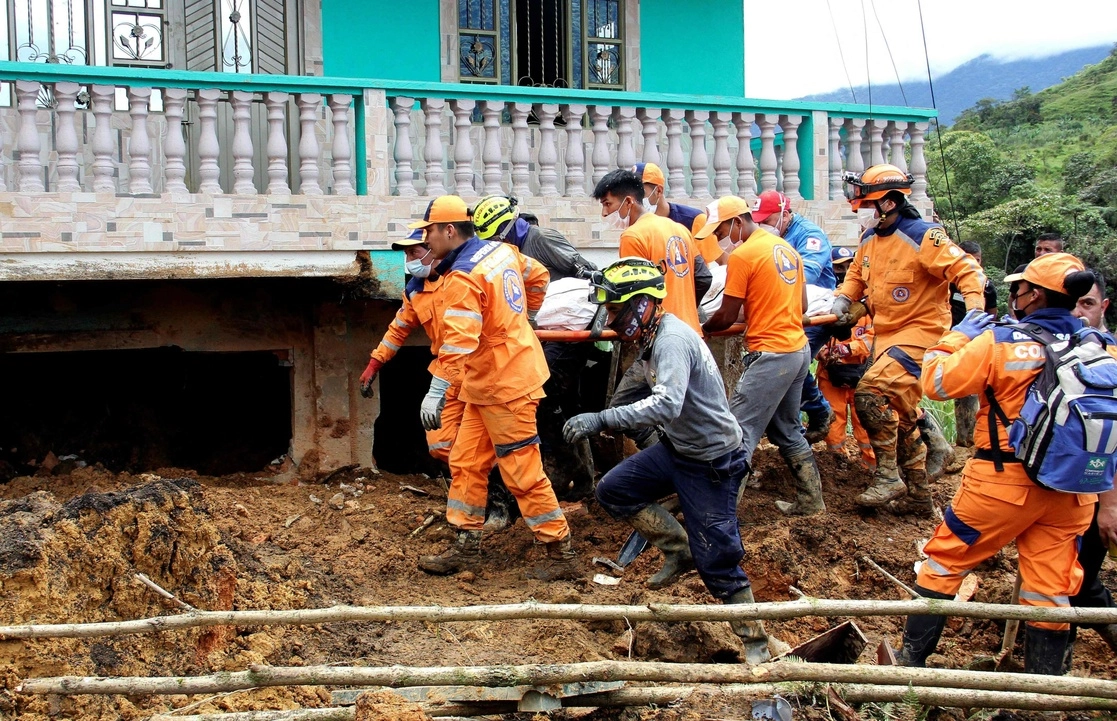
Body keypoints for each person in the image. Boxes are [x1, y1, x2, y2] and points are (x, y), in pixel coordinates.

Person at [562, 259, 771, 664]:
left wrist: (603, 419)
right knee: (615, 490)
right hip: (678, 450)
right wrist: (614, 410)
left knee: (720, 562)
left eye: (615, 308)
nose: (610, 317)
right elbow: (635, 386)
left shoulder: (672, 339)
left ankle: (756, 644)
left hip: (712, 460)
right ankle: (679, 549)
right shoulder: (651, 337)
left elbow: (667, 402)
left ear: (640, 304)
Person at [900, 252, 1099, 674]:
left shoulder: (1003, 342)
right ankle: (1044, 691)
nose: (1015, 294)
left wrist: (955, 336)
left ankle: (911, 667)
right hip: (1074, 490)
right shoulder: (1101, 345)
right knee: (1050, 589)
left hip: (1002, 483)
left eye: (1020, 287)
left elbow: (936, 383)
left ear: (1035, 295)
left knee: (944, 561)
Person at [407, 195, 577, 581]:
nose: (426, 240)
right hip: (491, 380)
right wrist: (526, 317)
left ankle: (560, 552)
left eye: (429, 232)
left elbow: (458, 342)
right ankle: (467, 546)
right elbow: (538, 276)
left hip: (504, 384)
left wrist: (436, 391)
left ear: (449, 230)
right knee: (466, 463)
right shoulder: (501, 252)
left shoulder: (463, 277)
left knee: (521, 469)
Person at [835, 164, 986, 515]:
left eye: (867, 206)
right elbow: (857, 277)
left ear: (887, 203)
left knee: (870, 394)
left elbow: (967, 270)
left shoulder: (923, 236)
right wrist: (845, 301)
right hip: (886, 337)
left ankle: (888, 476)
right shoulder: (870, 240)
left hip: (922, 333)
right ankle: (919, 496)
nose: (862, 213)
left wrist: (976, 310)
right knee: (901, 416)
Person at [698, 196, 825, 517]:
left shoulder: (744, 255)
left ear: (738, 222)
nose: (718, 239)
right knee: (786, 429)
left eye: (720, 231)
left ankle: (719, 513)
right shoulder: (786, 248)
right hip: (797, 350)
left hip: (771, 353)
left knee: (736, 432)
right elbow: (803, 307)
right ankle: (811, 501)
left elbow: (726, 315)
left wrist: (702, 328)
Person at [470, 195, 599, 499]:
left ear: (511, 225)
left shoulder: (541, 240)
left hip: (567, 331)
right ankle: (582, 475)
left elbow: (590, 275)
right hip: (543, 334)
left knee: (545, 395)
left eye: (500, 237)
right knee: (562, 404)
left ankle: (565, 465)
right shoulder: (509, 252)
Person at [592, 169, 712, 448]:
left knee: (622, 407)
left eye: (608, 204)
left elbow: (629, 293)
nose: (606, 213)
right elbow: (703, 277)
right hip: (690, 333)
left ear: (629, 202)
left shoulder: (633, 236)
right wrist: (685, 307)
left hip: (659, 338)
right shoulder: (678, 228)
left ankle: (664, 459)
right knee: (684, 409)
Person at [753, 190, 837, 443]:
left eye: (766, 221)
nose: (761, 227)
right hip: (786, 310)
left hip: (814, 311)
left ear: (784, 215)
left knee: (789, 363)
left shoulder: (809, 236)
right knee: (785, 365)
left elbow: (807, 274)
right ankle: (798, 423)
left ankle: (818, 411)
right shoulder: (773, 237)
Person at [1065, 268, 1117, 668]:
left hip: (1100, 490)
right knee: (1061, 580)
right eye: (1073, 304)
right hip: (1065, 491)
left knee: (1076, 582)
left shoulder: (1109, 362)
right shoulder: (1060, 353)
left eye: (1087, 304)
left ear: (1103, 307)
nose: (1079, 313)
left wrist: (1109, 504)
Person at [818, 247, 875, 471]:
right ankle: (837, 465)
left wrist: (848, 349)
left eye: (847, 267)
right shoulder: (825, 301)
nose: (842, 272)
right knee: (834, 420)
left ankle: (871, 467)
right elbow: (815, 333)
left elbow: (874, 338)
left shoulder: (868, 305)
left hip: (862, 372)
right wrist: (822, 351)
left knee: (865, 421)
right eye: (838, 267)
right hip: (831, 372)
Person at [949, 241, 999, 448]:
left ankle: (967, 440)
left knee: (968, 389)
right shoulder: (947, 282)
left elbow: (992, 315)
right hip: (946, 338)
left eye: (975, 260)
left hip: (973, 343)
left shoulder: (987, 287)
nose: (970, 265)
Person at [633, 161, 728, 266]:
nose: (635, 199)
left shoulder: (694, 220)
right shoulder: (636, 226)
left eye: (640, 192)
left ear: (658, 191)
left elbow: (723, 262)